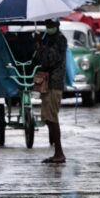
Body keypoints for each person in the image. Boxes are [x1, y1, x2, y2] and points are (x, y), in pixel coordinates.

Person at [35, 19, 68, 163]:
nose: (48, 27)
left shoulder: (60, 40)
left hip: (55, 83)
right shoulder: (47, 38)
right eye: (47, 25)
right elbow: (39, 59)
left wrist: (40, 45)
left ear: (56, 26)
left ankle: (59, 153)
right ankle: (57, 151)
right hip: (47, 83)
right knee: (47, 117)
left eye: (51, 25)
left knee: (52, 117)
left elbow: (50, 59)